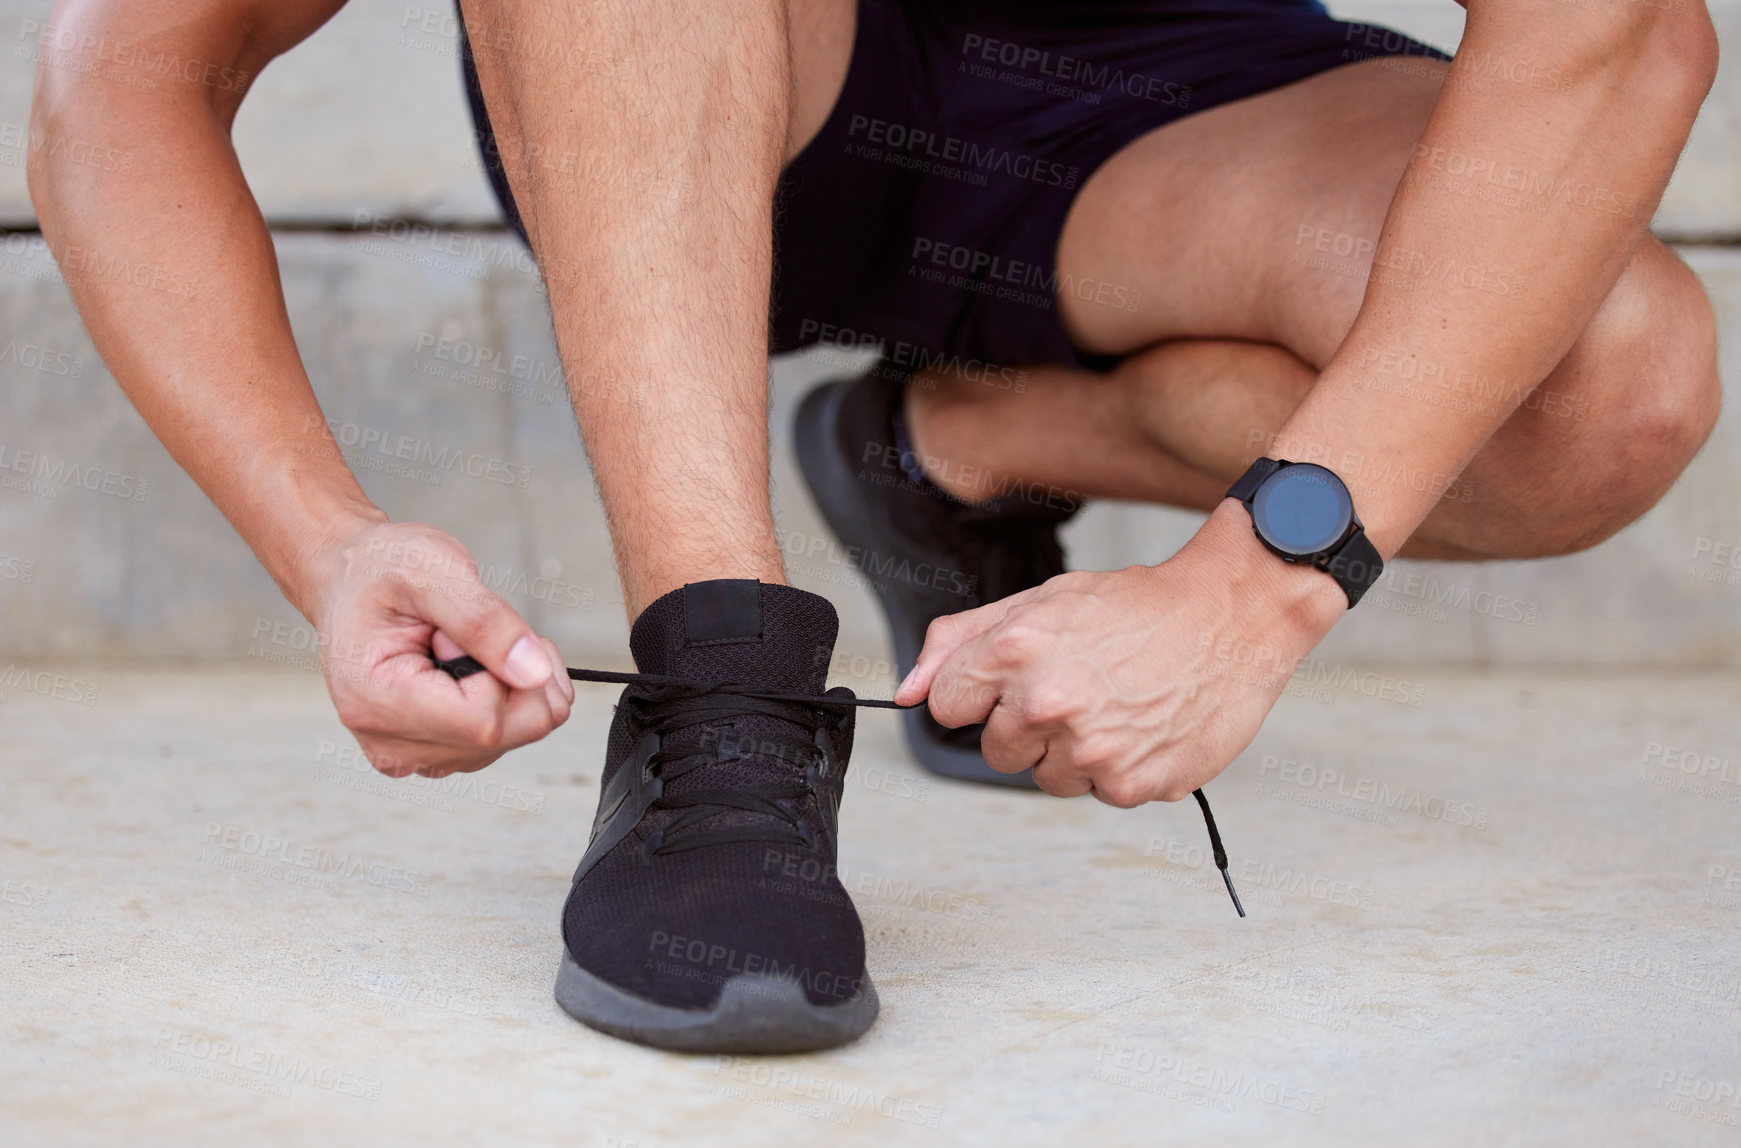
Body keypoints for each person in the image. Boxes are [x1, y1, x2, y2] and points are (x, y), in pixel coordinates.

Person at [29, 0, 1718, 1053]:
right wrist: (323, 539)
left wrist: (1256, 584)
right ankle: (724, 684)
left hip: (1177, 93)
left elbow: (1621, 33)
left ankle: (951, 451)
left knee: (1607, 382)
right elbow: (130, 69)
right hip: (711, 75)